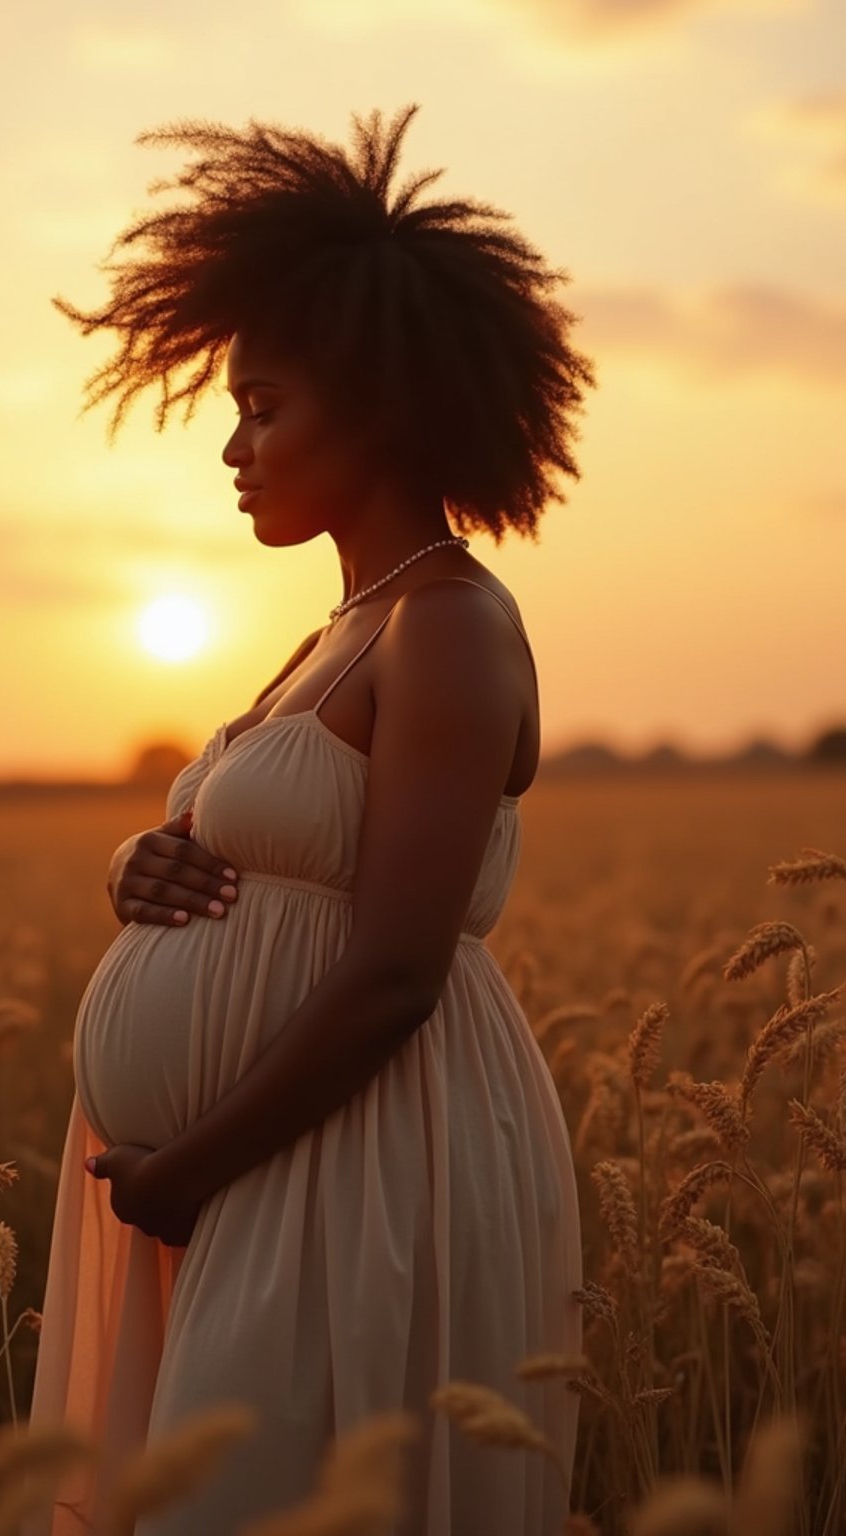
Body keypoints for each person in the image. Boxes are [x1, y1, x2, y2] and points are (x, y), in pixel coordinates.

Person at [29, 103, 596, 1535]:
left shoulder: (453, 627)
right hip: (259, 1158)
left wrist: (193, 1169)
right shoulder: (347, 625)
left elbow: (399, 968)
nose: (234, 446)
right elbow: (278, 853)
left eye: (265, 406)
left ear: (388, 405)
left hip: (353, 1157)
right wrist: (138, 860)